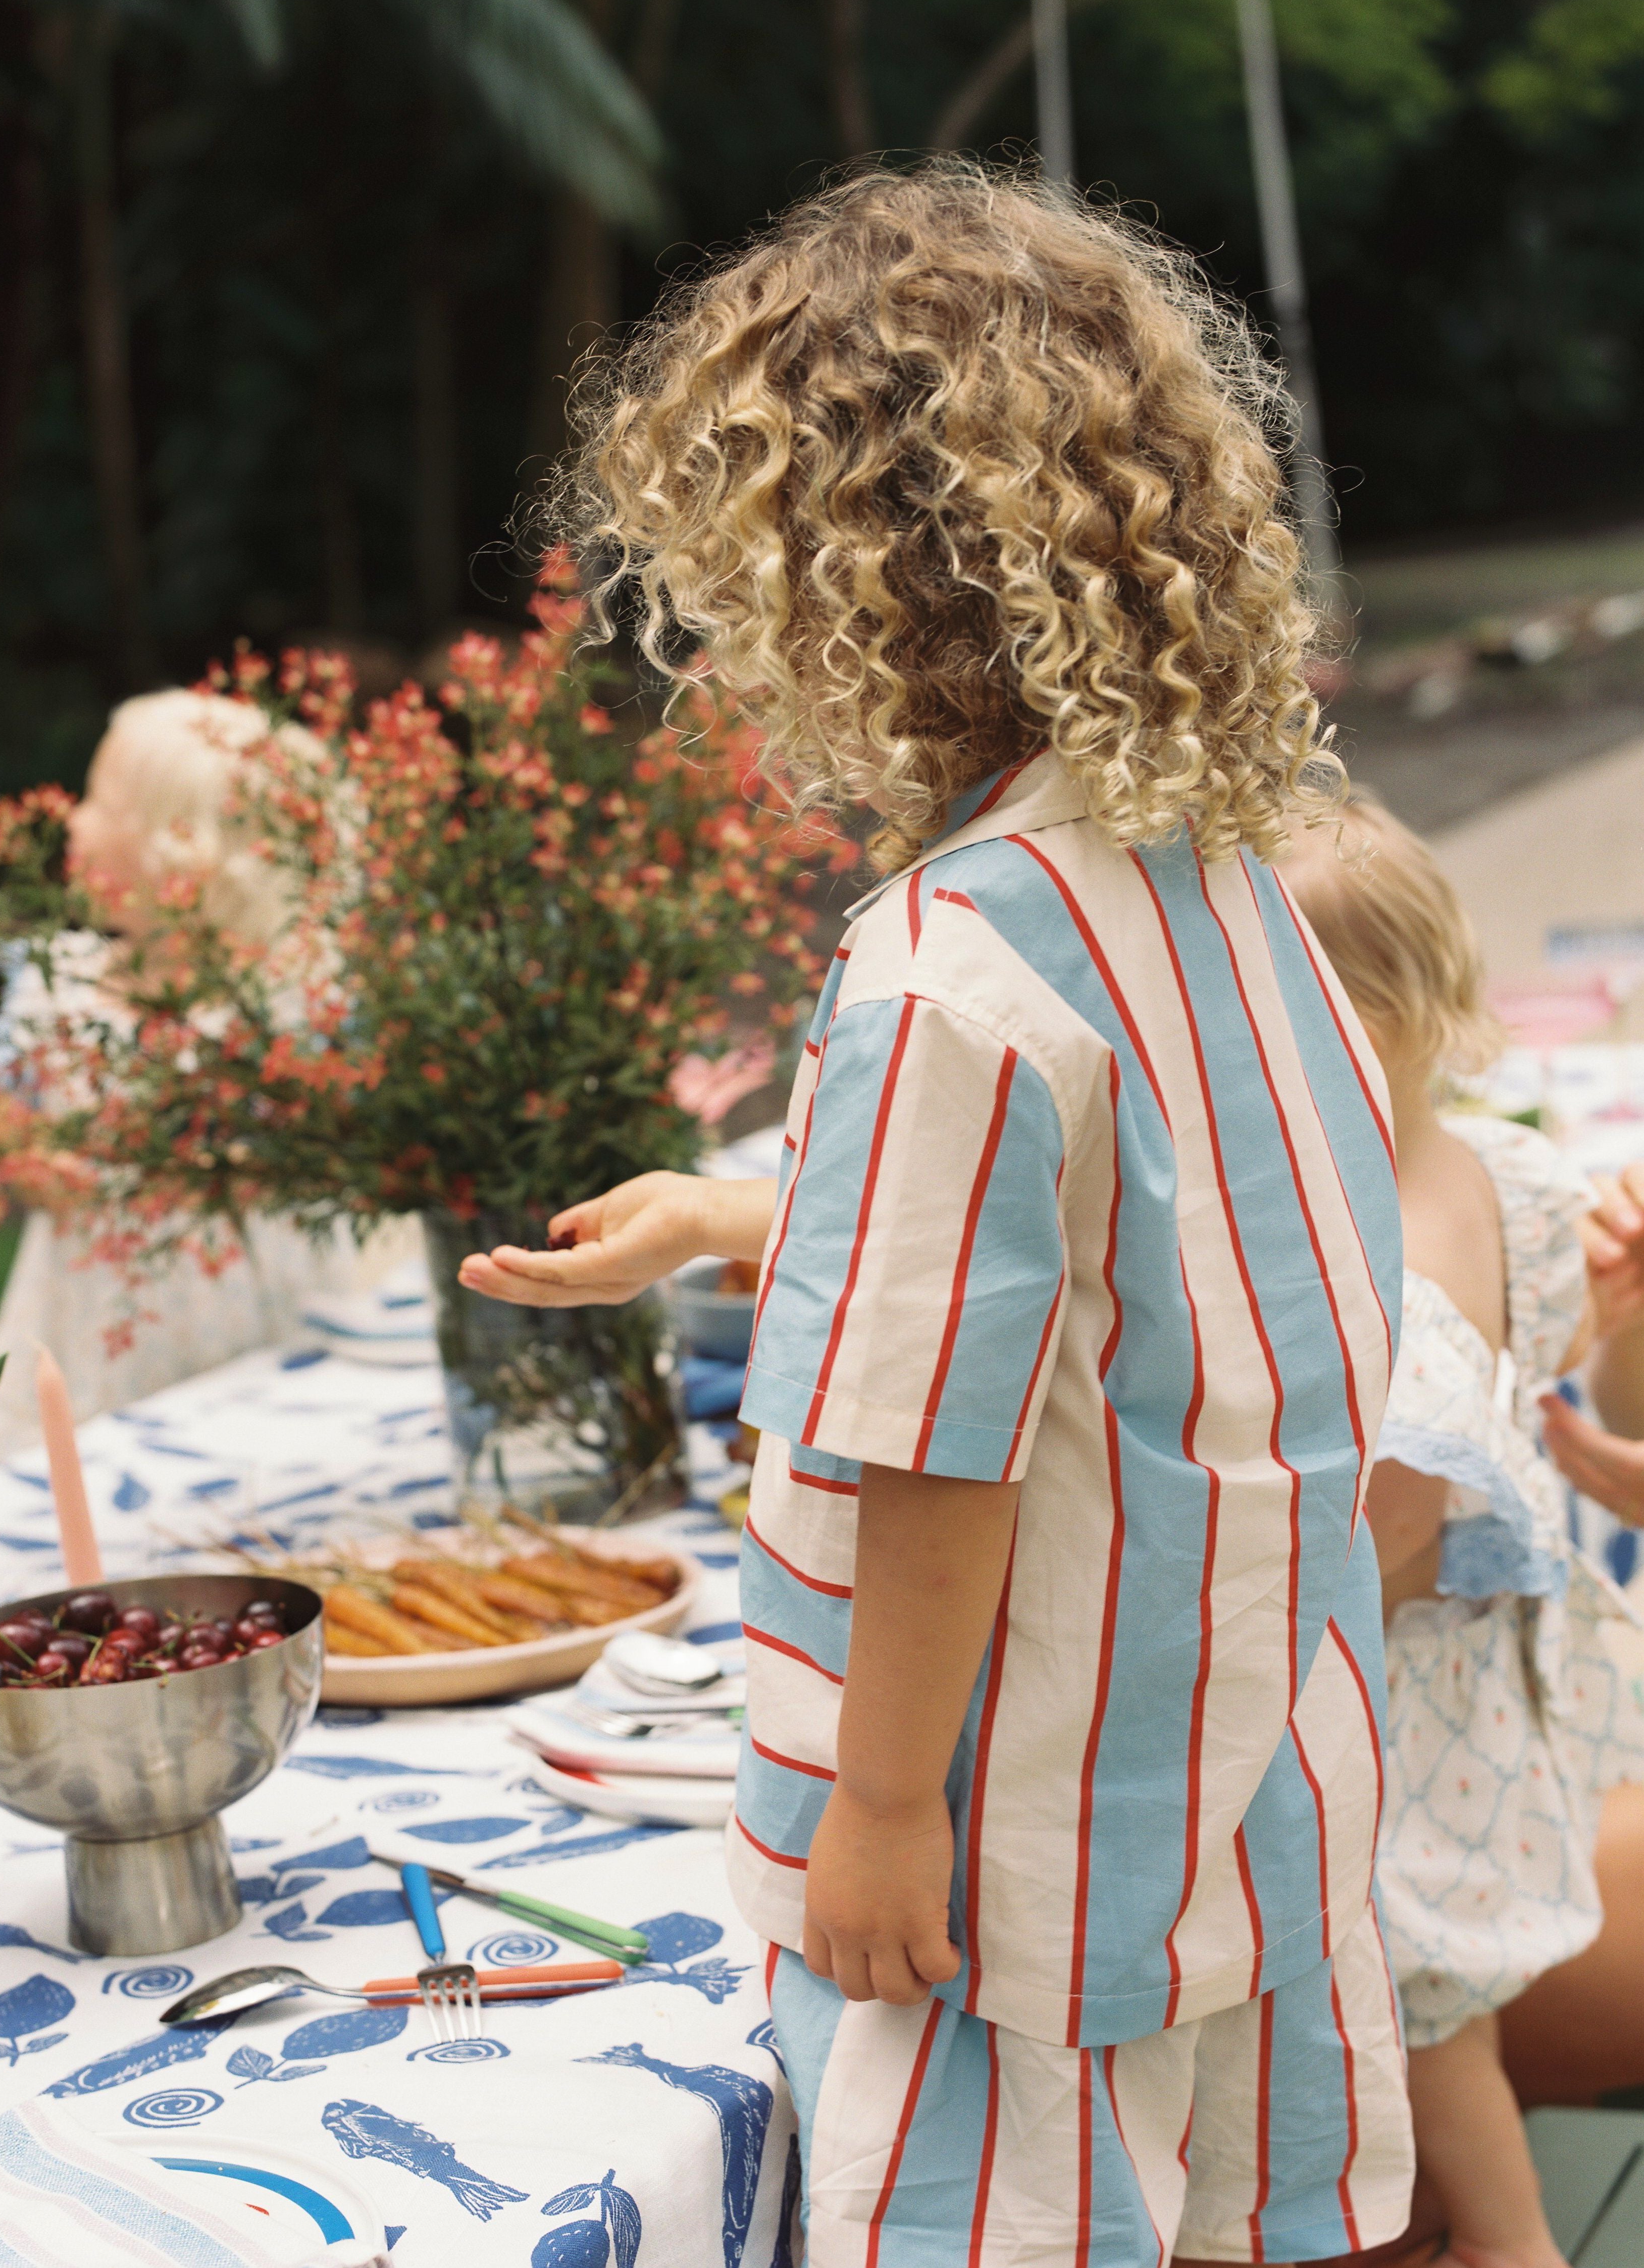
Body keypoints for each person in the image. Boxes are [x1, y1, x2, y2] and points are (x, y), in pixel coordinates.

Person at [464, 163, 1412, 2266]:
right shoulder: (1215, 878)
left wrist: (887, 1818)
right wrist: (730, 1217)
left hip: (1014, 1845)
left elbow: (935, 1442)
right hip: (1229, 1764)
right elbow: (1121, 1251)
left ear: (841, 579)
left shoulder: (950, 969)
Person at [1281, 791, 1644, 2268]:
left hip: (1392, 1695)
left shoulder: (1329, 1224)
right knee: (1441, 1999)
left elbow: (1385, 1538)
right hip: (1509, 1682)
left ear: (1346, 1025)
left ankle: (1497, 2241)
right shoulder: (1512, 1176)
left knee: (1414, 1992)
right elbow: (1580, 1365)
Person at [0, 688, 410, 1459]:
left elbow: (338, 1145)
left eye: (97, 801)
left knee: (284, 1467)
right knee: (100, 1487)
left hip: (268, 1308)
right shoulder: (58, 985)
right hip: (100, 1324)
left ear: (181, 847)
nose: (70, 820)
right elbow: (11, 1131)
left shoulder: (288, 1005)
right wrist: (35, 1162)